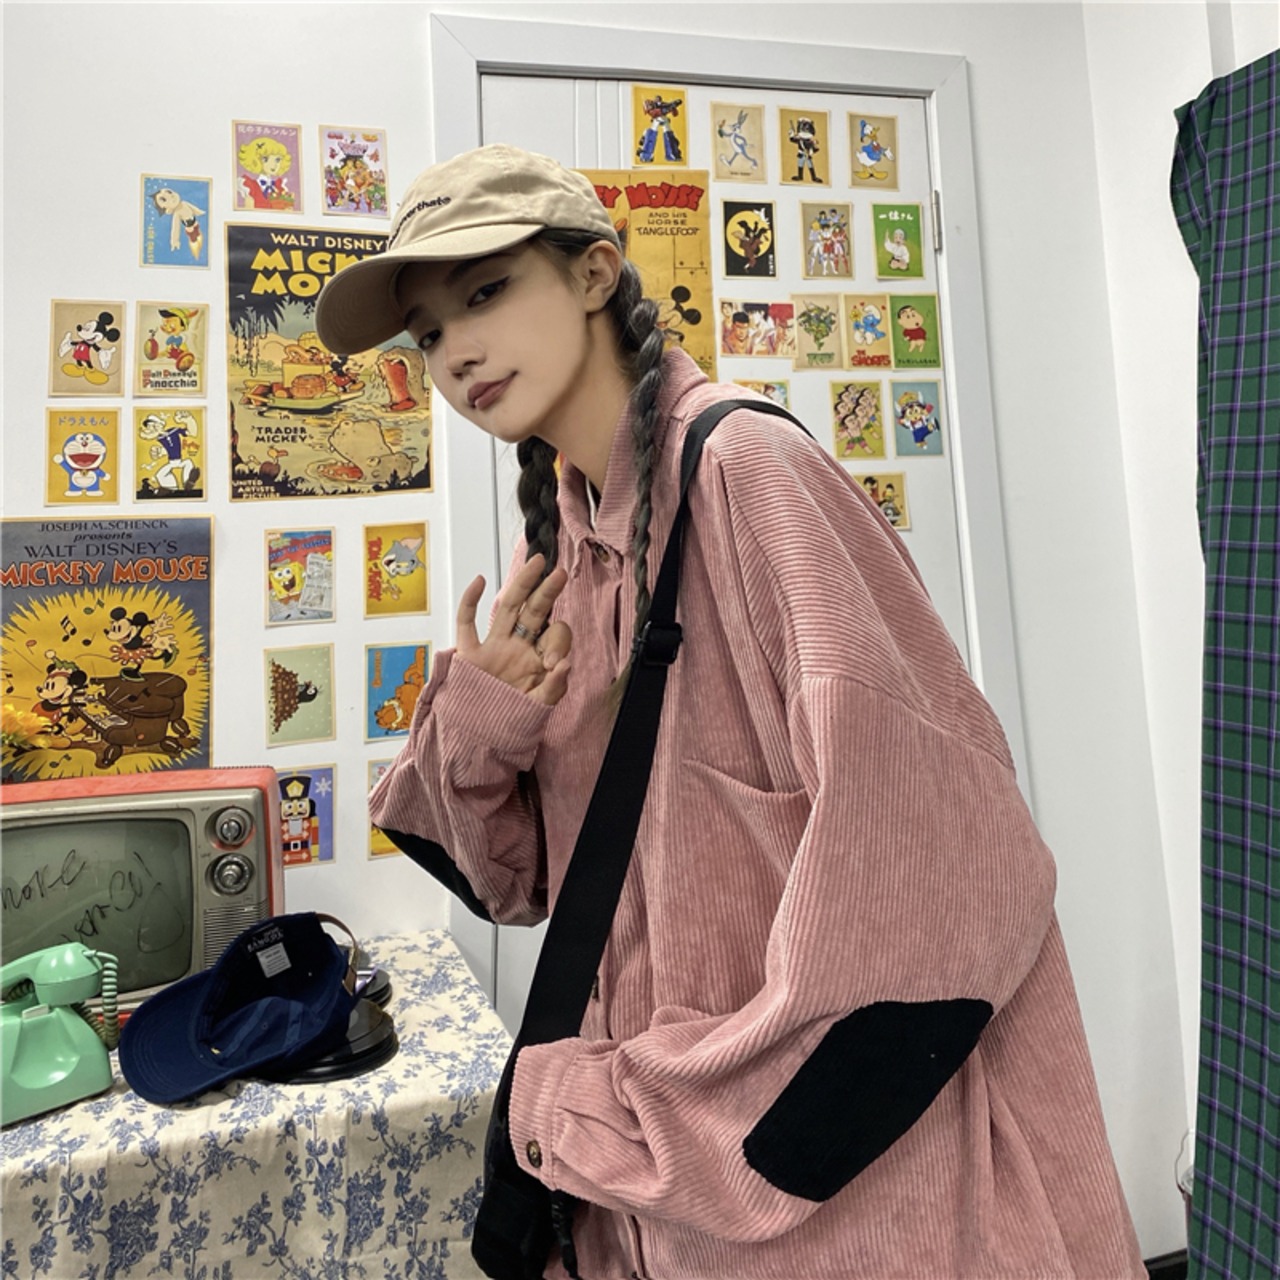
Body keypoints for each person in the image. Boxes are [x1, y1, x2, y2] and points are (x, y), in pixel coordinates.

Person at [315, 143, 1144, 1280]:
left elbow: (942, 883)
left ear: (595, 271)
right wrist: (482, 719)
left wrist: (623, 1120)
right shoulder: (563, 548)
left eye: (487, 290)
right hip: (664, 1214)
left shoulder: (750, 474)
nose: (455, 351)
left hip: (835, 1204)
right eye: (426, 333)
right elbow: (524, 887)